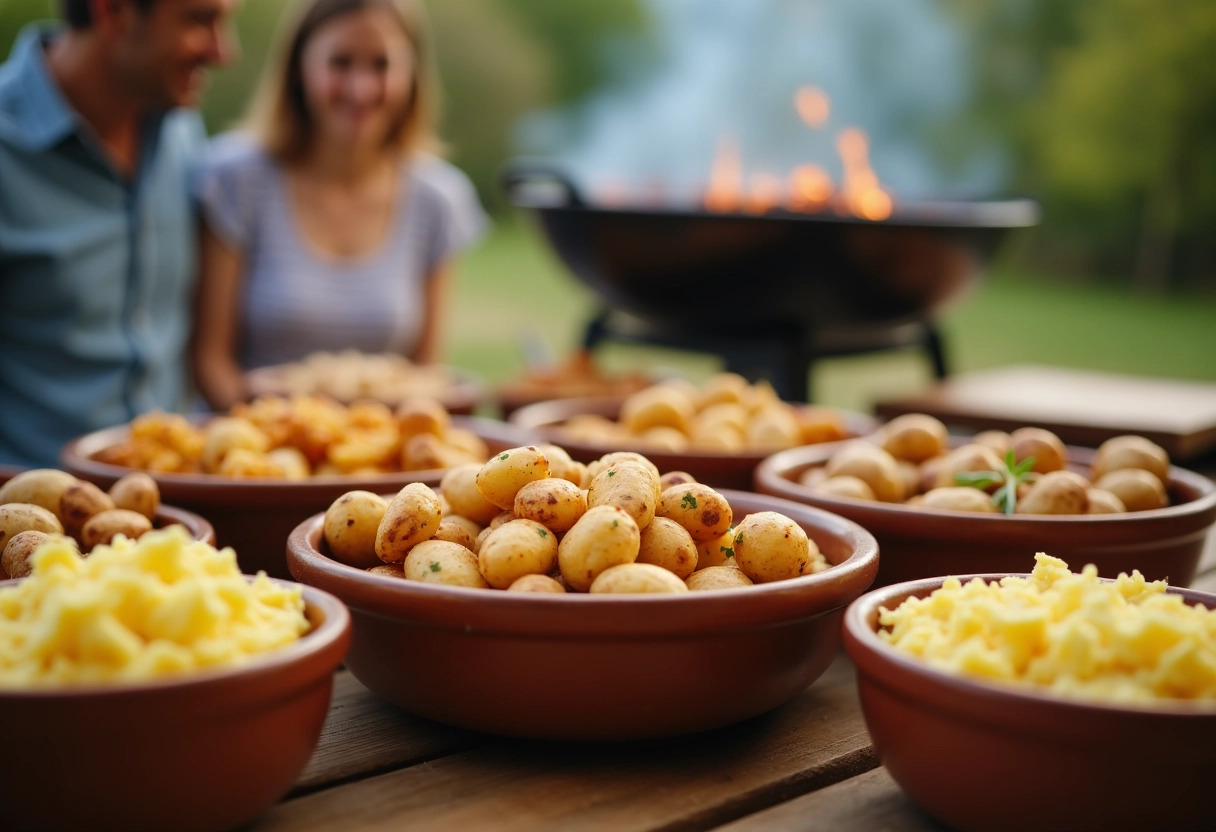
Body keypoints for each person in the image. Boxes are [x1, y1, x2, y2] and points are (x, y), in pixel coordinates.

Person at [191, 0, 487, 412]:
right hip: (256, 448)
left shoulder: (437, 198)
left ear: (412, 73)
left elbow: (424, 375)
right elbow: (209, 363)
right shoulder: (236, 179)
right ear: (298, 67)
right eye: (340, 63)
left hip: (375, 459)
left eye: (381, 65)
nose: (360, 88)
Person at [0, 0, 239, 468]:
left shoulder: (182, 130)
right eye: (199, 20)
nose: (222, 51)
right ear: (111, 12)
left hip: (178, 510)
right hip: (33, 518)